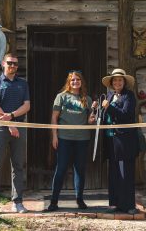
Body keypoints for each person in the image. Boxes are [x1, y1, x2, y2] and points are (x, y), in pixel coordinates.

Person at [0, 53, 30, 214]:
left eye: (16, 64)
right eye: (10, 63)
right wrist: (10, 124)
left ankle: (17, 202)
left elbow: (26, 106)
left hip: (19, 126)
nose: (13, 66)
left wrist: (11, 117)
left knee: (18, 165)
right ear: (3, 64)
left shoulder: (23, 83)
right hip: (0, 127)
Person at [47, 70, 94, 211]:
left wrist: (92, 117)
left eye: (78, 80)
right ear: (69, 82)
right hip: (64, 138)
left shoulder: (87, 99)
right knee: (60, 169)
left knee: (80, 170)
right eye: (72, 80)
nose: (75, 82)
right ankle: (54, 201)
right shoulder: (61, 97)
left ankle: (79, 199)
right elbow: (54, 117)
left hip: (82, 139)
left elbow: (90, 121)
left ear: (81, 82)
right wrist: (54, 136)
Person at [101, 68, 139, 215]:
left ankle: (129, 205)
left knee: (126, 173)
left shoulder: (129, 96)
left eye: (120, 80)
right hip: (111, 140)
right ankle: (116, 203)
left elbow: (125, 115)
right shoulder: (109, 95)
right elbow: (106, 116)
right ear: (111, 83)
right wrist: (98, 109)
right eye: (114, 80)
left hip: (125, 141)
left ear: (124, 82)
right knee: (114, 173)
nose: (117, 82)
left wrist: (108, 107)